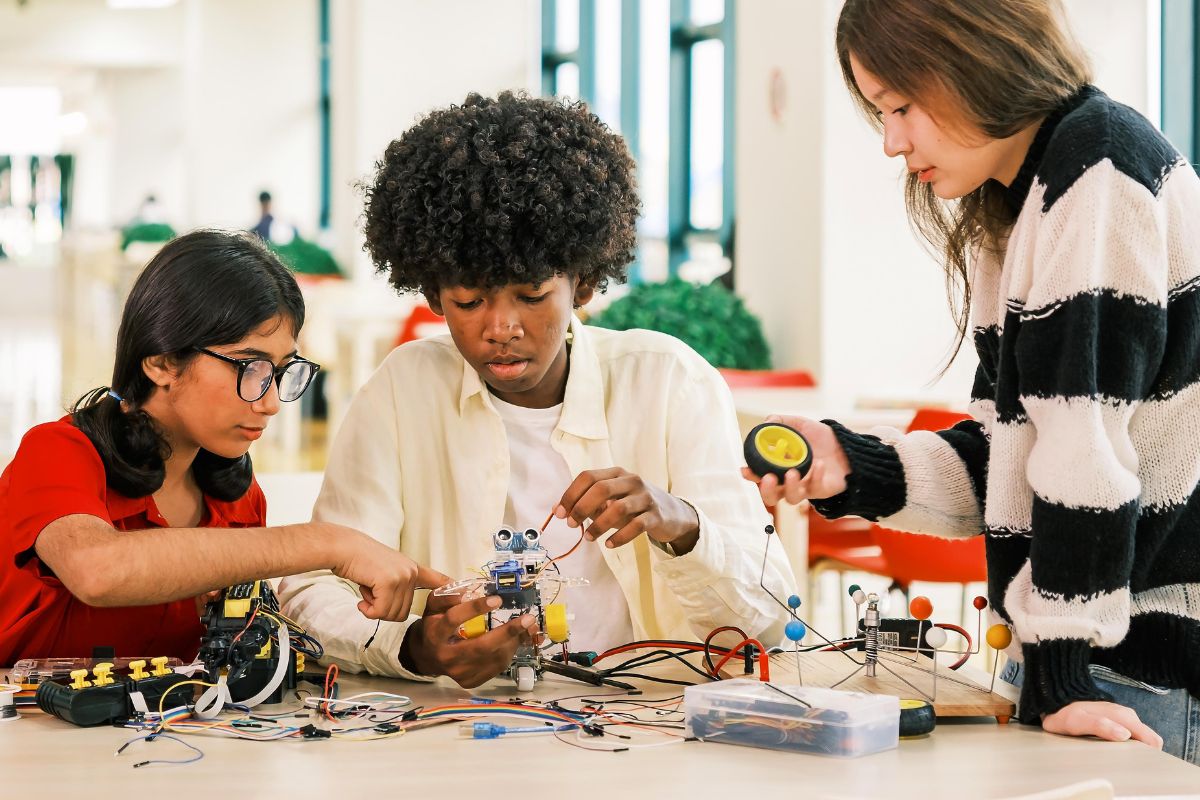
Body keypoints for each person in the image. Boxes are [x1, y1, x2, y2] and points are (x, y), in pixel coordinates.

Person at [745, 0, 1200, 763]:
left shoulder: (1098, 169)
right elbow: (1010, 464)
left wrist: (1057, 672)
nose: (891, 142)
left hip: (1128, 670)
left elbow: (1082, 457)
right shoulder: (1026, 196)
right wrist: (855, 463)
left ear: (974, 57)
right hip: (1084, 665)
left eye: (901, 107)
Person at [278, 91, 795, 687]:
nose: (501, 329)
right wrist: (412, 647)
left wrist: (684, 528)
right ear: (433, 295)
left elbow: (768, 620)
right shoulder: (402, 392)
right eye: (468, 301)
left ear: (583, 283)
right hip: (462, 733)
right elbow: (312, 594)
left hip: (647, 727)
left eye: (530, 296)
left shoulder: (669, 382)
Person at [0, 230, 444, 666]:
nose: (270, 403)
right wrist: (330, 543)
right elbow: (98, 570)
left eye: (282, 371)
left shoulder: (237, 500)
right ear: (161, 361)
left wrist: (421, 643)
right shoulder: (57, 452)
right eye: (251, 367)